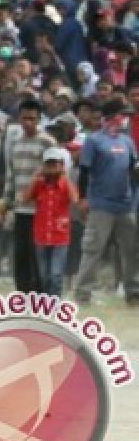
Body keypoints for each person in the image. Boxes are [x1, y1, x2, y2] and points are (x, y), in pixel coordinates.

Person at [73, 99, 139, 305]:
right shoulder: (94, 141)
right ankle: (83, 293)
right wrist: (82, 197)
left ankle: (133, 291)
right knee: (93, 249)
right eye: (122, 115)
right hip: (101, 204)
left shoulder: (127, 141)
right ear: (112, 117)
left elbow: (132, 169)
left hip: (125, 205)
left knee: (131, 250)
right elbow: (84, 171)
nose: (125, 119)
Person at [0, 99, 56, 293]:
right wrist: (5, 203)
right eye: (24, 118)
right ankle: (22, 296)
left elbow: (55, 177)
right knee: (21, 256)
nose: (28, 122)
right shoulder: (14, 143)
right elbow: (11, 176)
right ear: (19, 118)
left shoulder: (47, 142)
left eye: (32, 119)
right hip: (20, 210)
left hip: (40, 210)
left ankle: (41, 296)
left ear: (39, 119)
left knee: (38, 257)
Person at [21, 148, 78, 297]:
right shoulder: (39, 185)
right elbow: (25, 199)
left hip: (60, 237)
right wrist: (35, 177)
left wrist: (64, 176)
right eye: (49, 164)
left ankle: (56, 303)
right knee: (44, 275)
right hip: (41, 236)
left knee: (56, 274)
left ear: (61, 165)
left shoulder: (65, 184)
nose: (52, 167)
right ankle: (46, 303)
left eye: (55, 164)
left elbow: (74, 199)